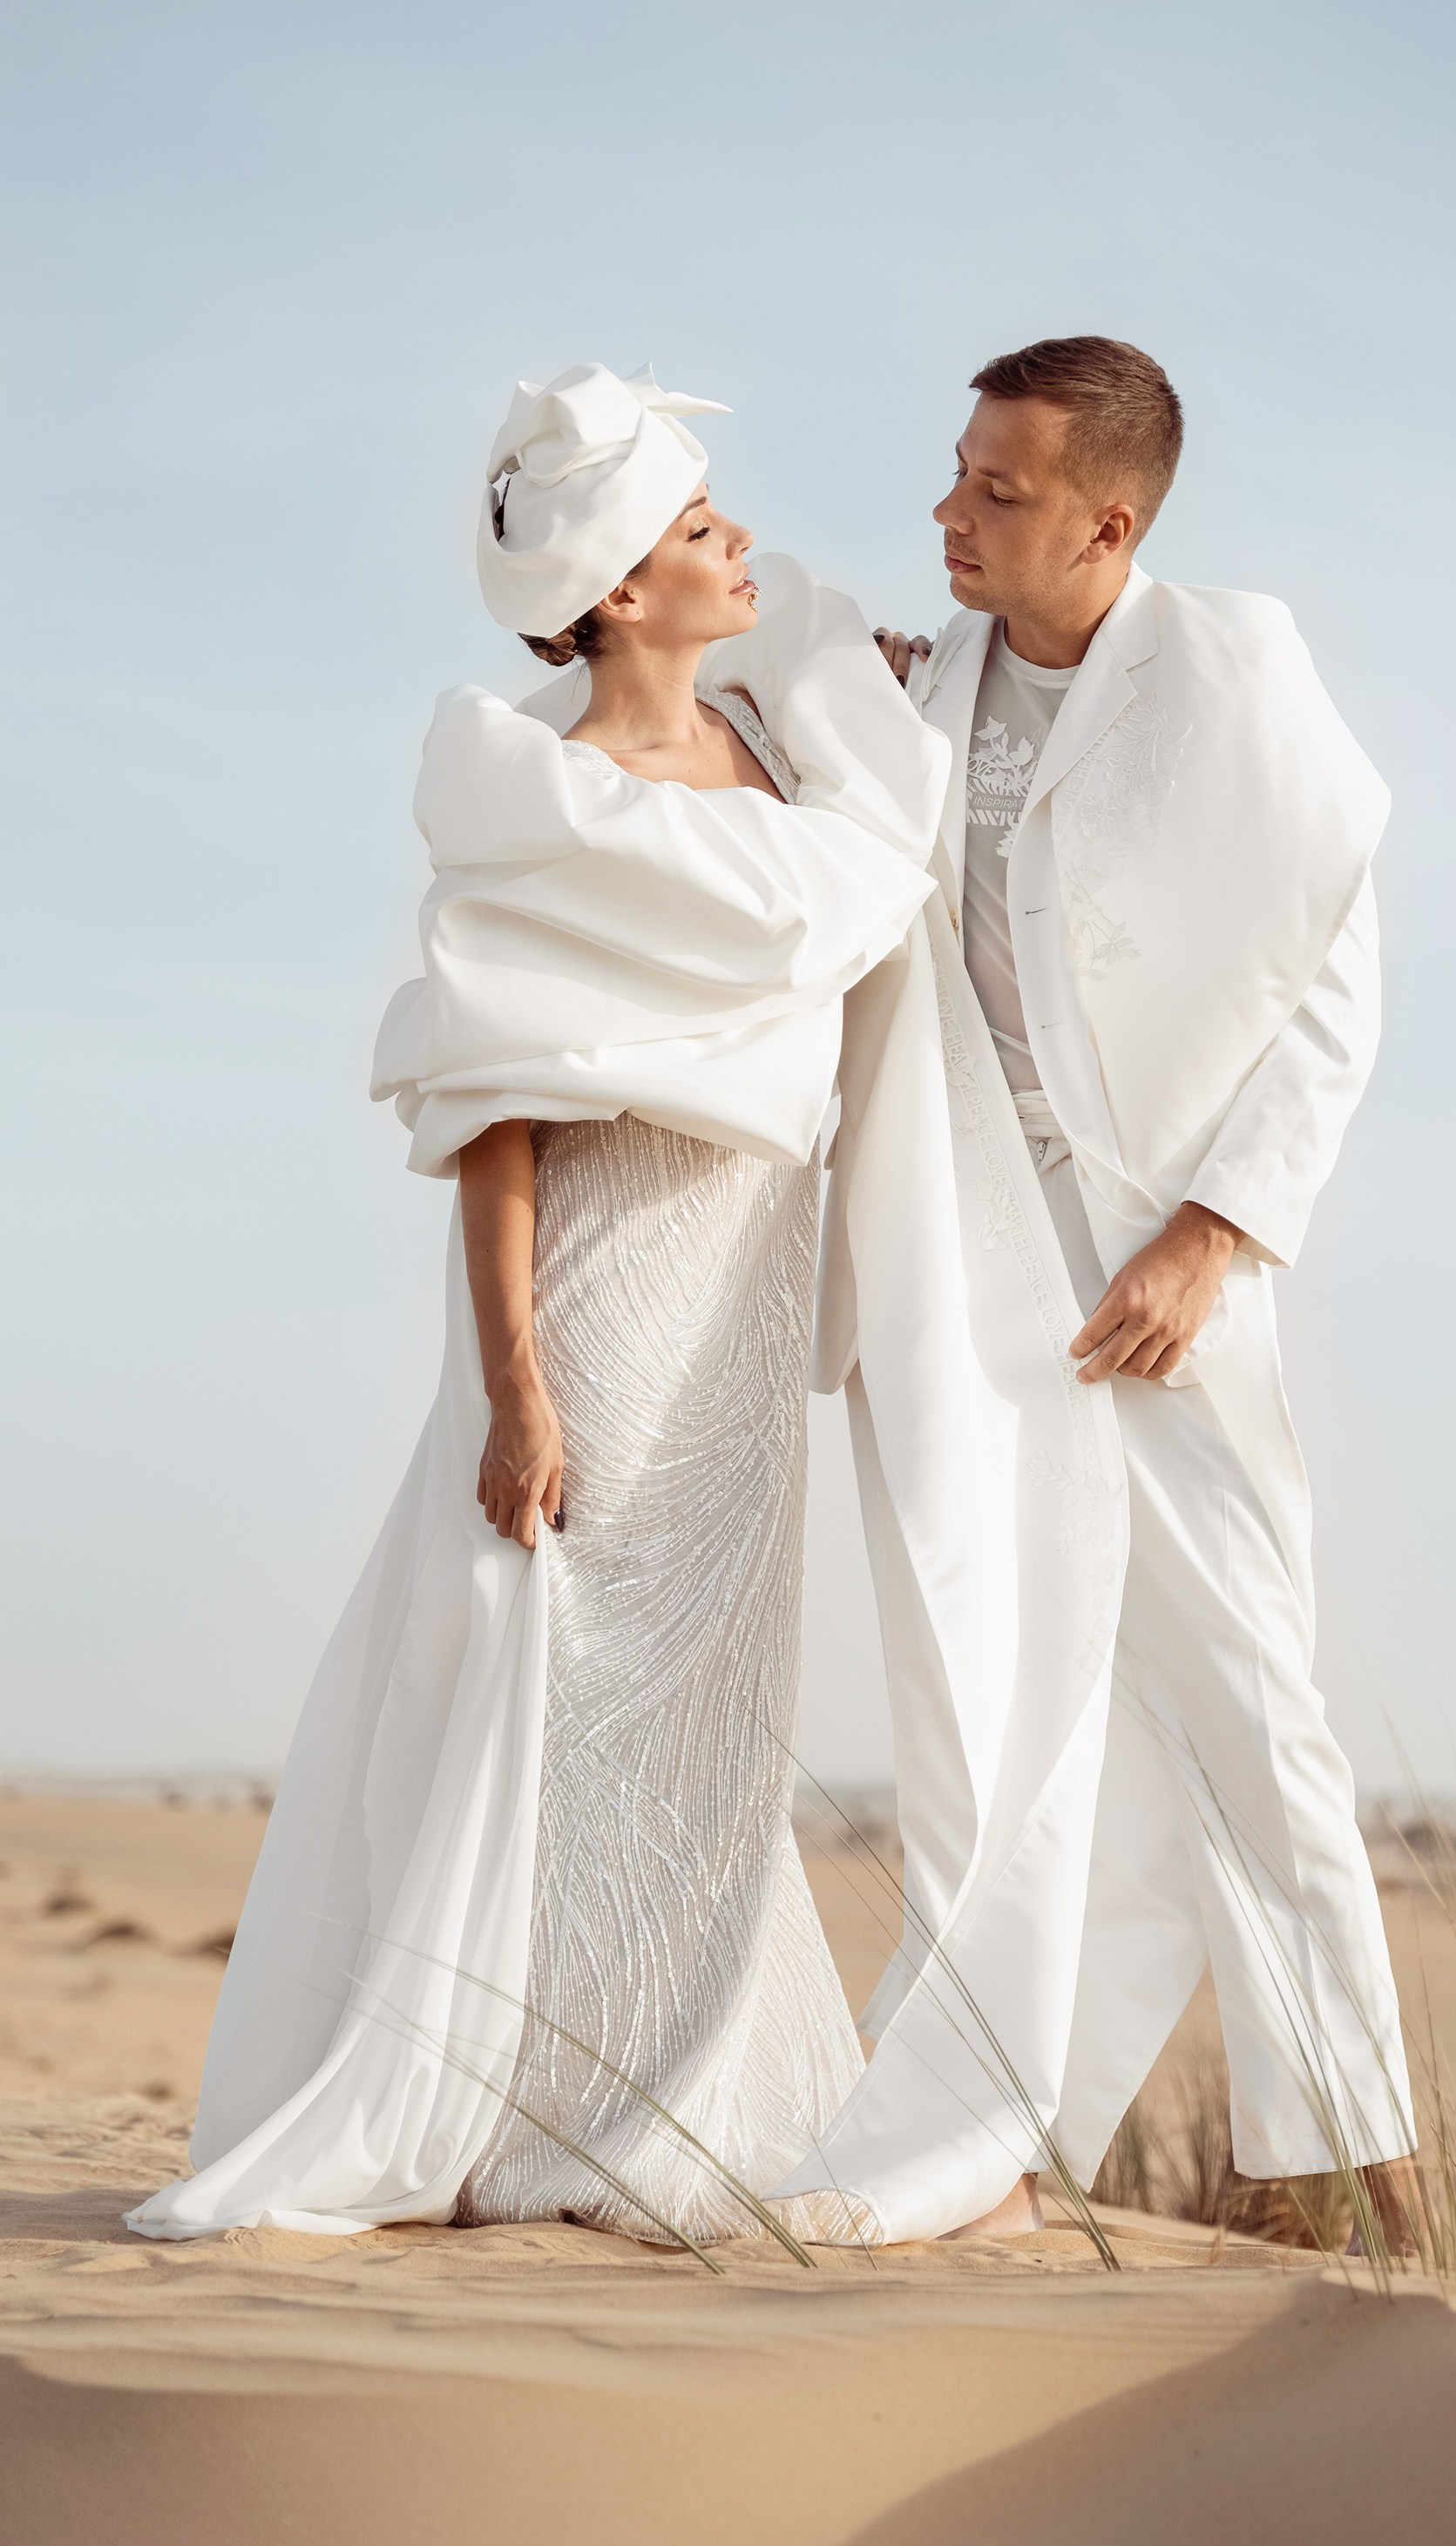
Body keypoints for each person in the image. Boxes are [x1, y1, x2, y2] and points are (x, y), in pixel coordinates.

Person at [126, 362, 942, 2245]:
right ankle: (520, 2101)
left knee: (708, 1700)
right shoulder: (539, 798)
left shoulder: (790, 746)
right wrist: (517, 1389)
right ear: (620, 594)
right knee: (556, 1667)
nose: (744, 549)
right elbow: (497, 1125)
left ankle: (682, 2082)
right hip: (595, 1282)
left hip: (743, 1277)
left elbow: (878, 877)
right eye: (699, 534)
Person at [795, 335, 1418, 2244]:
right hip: (966, 1265)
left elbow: (1333, 976)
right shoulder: (920, 683)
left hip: (1167, 1264)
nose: (949, 511)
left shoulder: (1236, 671)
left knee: (1244, 1691)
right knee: (1017, 1698)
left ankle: (1366, 2167)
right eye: (959, 473)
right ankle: (996, 2132)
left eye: (997, 488)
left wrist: (1214, 1237)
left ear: (1107, 521)